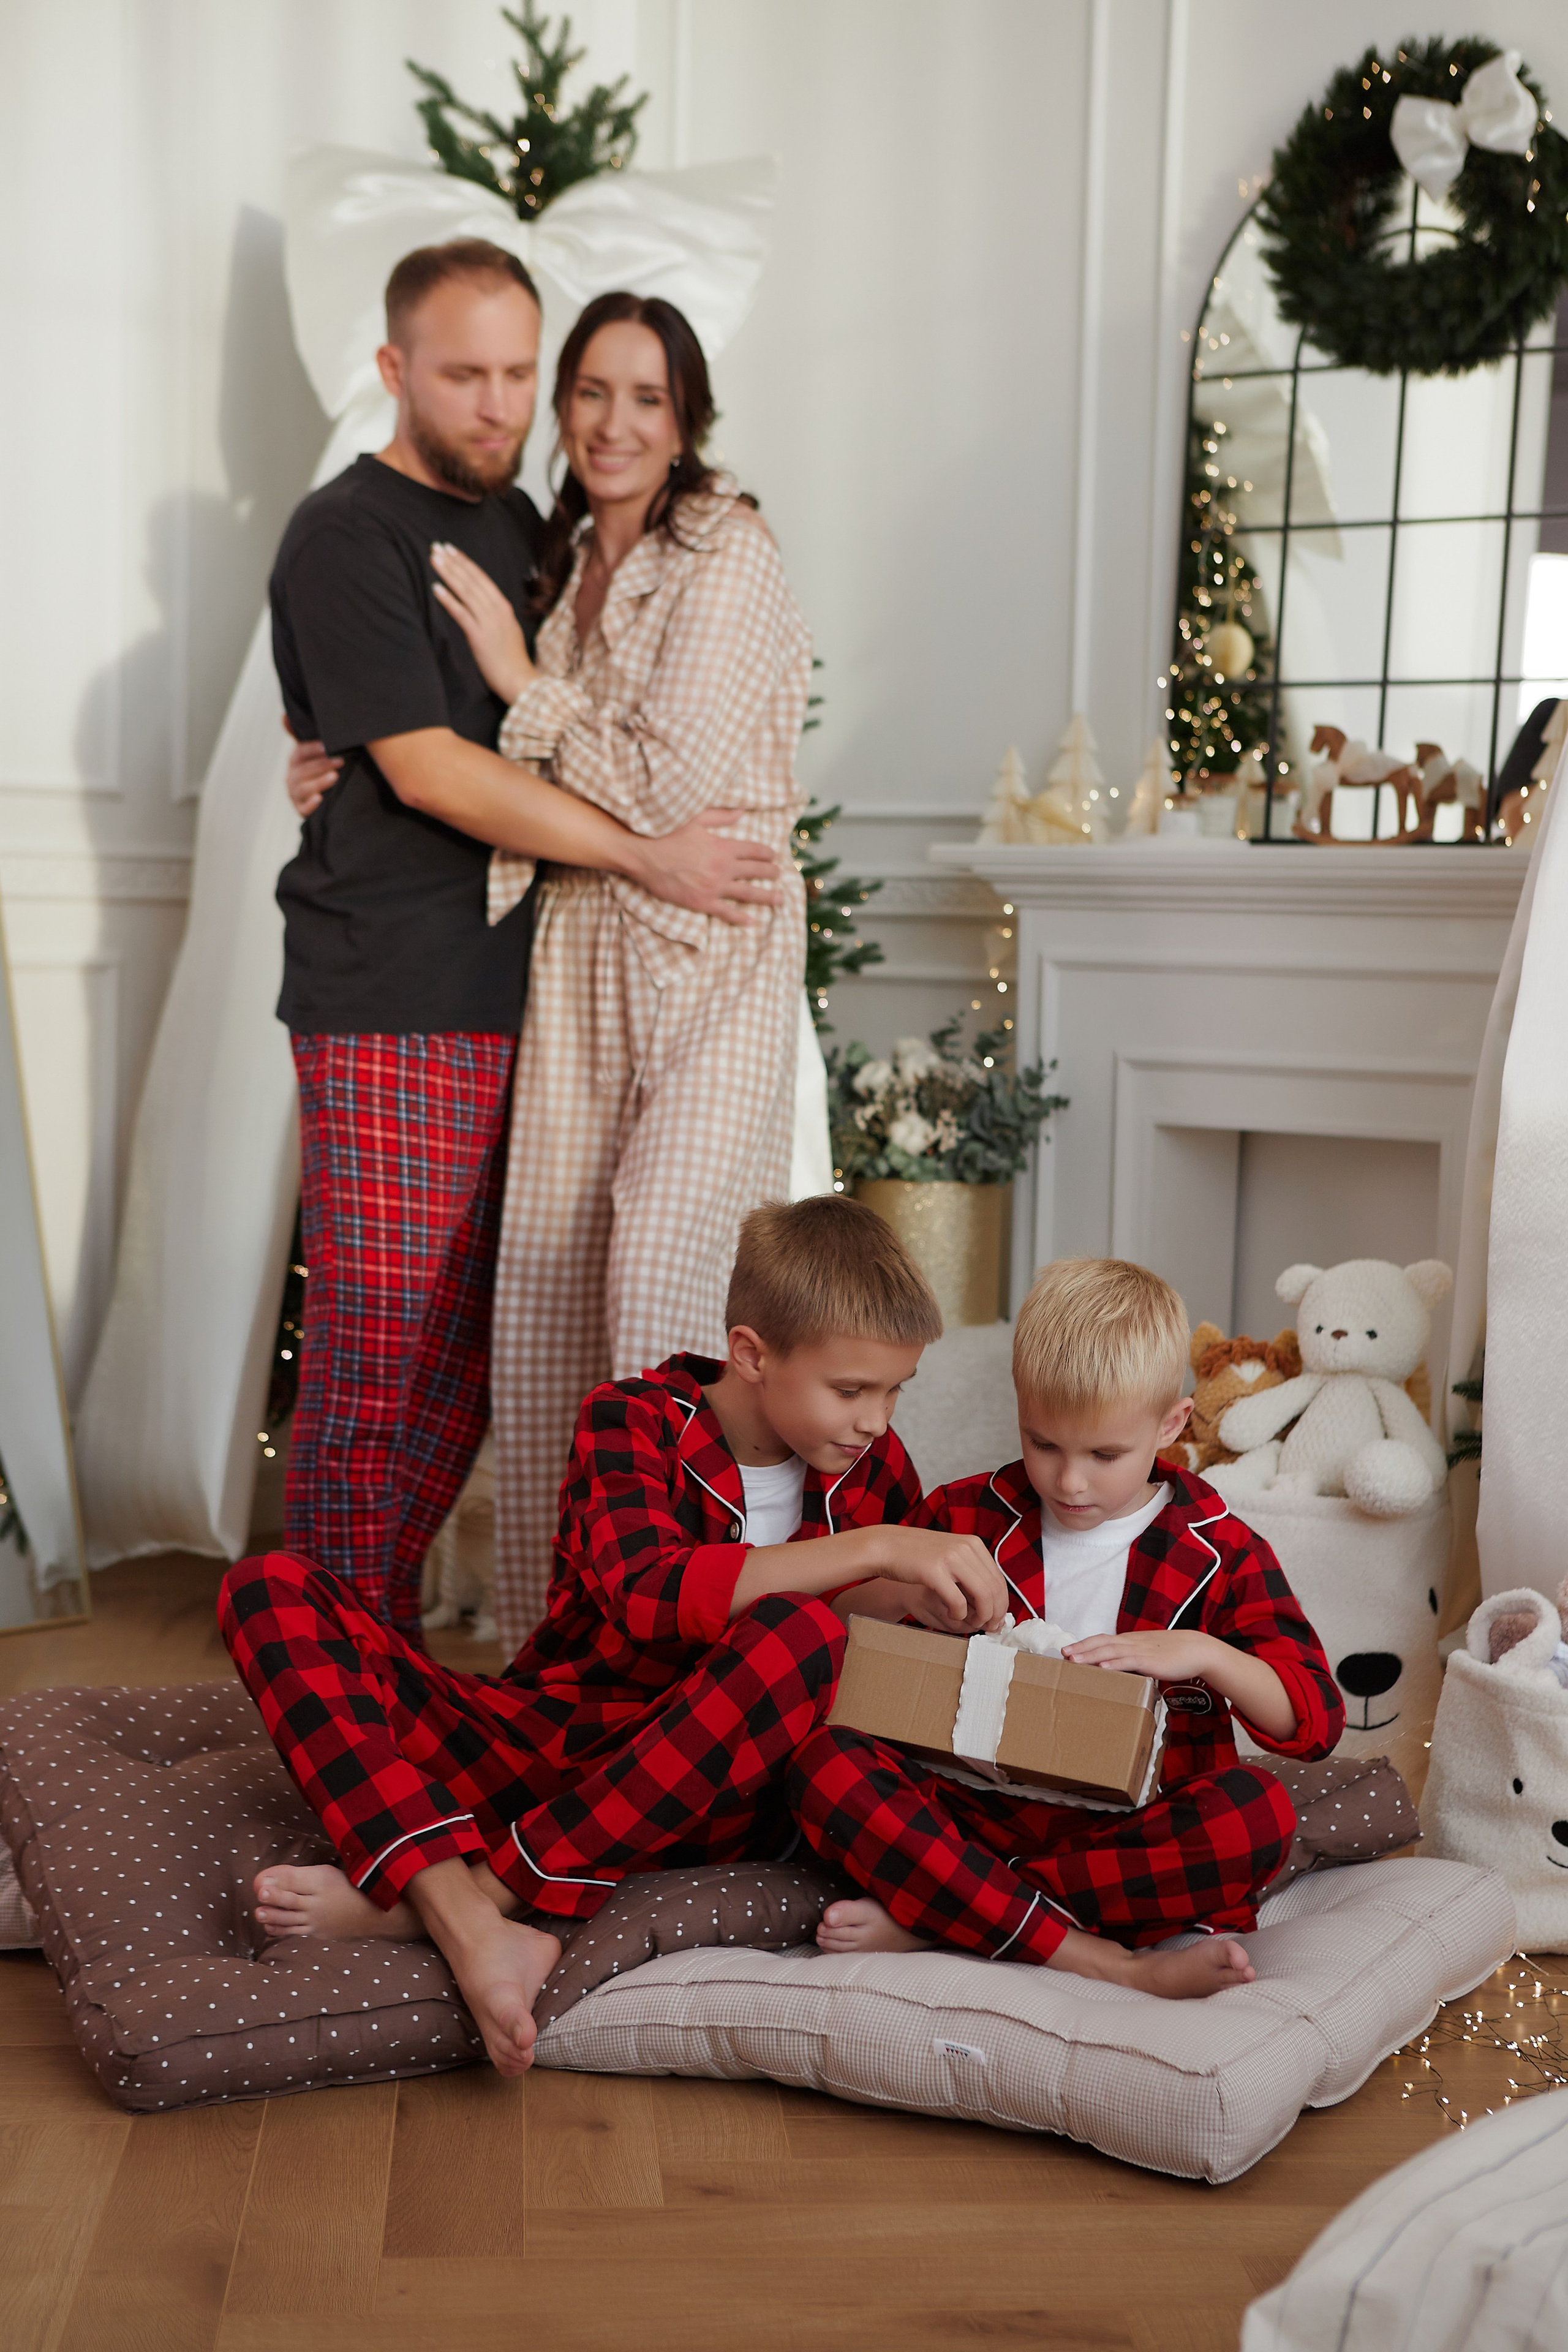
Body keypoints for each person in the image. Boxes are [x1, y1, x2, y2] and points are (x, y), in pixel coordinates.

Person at [270, 243, 776, 1642]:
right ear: (392, 370)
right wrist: (637, 851)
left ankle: (373, 1657)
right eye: (463, 373)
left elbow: (549, 722)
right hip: (388, 997)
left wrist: (359, 747)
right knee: (374, 1366)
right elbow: (429, 767)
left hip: (531, 1001)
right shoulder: (345, 530)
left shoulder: (540, 533)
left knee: (467, 1371)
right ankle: (320, 1679)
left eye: (513, 372)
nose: (496, 404)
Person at [219, 1196, 1003, 2076]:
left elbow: (811, 1661)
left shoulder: (877, 1470)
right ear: (752, 1353)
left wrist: (906, 1600)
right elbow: (647, 1591)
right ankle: (466, 1912)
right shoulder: (629, 1419)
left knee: (803, 1637)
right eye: (851, 1391)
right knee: (268, 1588)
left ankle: (463, 1900)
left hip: (708, 1797)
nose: (877, 1421)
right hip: (549, 1744)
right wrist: (876, 1550)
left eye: (896, 1391)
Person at [410, 292, 814, 1649]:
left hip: (709, 949)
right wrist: (334, 761)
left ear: (686, 416)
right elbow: (504, 768)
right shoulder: (561, 551)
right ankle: (550, 1655)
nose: (612, 422)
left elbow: (666, 785)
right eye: (589, 392)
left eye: (645, 398)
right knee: (540, 1302)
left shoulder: (728, 551)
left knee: (657, 1280)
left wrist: (521, 683)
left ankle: (682, 1640)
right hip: (578, 951)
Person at [787, 1256, 1346, 2000]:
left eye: (1105, 1455)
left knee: (1256, 1813)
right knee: (823, 1760)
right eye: (1043, 1444)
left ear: (1172, 1423)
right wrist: (900, 1596)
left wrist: (1205, 1656)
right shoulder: (964, 1517)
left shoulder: (1222, 1550)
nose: (1069, 1481)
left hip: (1121, 1843)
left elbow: (1312, 1723)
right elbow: (833, 1640)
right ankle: (1082, 1950)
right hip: (968, 1816)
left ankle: (956, 1916)